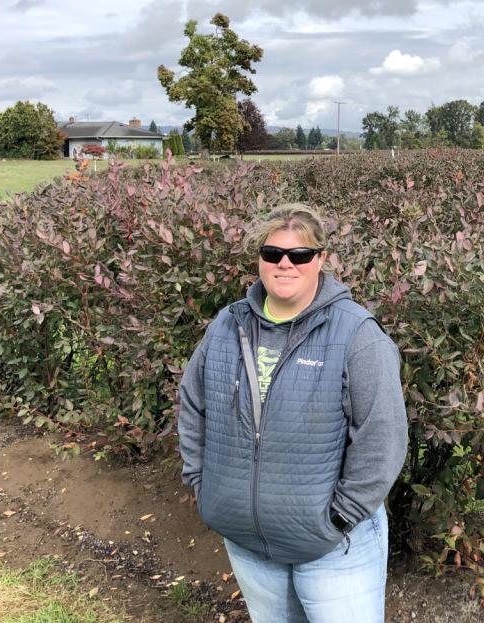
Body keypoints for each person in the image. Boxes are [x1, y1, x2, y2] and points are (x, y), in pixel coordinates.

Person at [177, 203, 408, 622]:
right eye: (272, 254)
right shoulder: (227, 326)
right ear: (259, 259)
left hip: (334, 546)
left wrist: (340, 518)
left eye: (299, 255)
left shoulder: (357, 335)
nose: (285, 264)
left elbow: (383, 437)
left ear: (320, 259)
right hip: (249, 545)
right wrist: (202, 483)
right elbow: (194, 405)